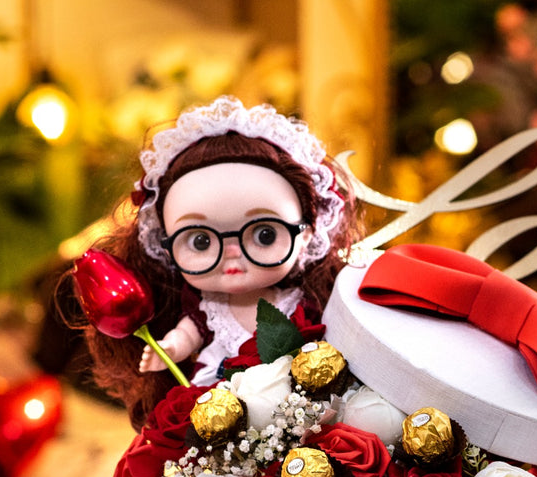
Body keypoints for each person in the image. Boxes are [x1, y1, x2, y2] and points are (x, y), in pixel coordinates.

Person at [74, 96, 360, 429]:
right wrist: (170, 348)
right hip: (221, 403)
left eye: (265, 235)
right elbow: (188, 335)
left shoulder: (302, 302)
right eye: (201, 241)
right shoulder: (208, 308)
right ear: (165, 245)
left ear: (309, 232)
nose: (233, 254)